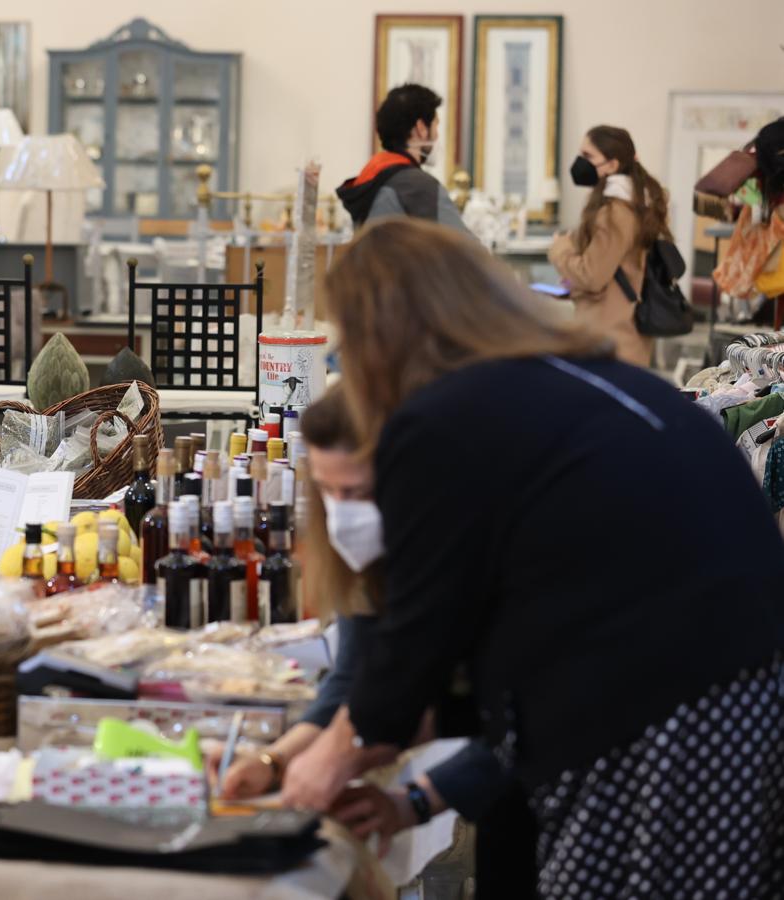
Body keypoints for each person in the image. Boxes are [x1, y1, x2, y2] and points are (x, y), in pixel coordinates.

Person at [306, 217, 784, 899]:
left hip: (663, 722)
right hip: (730, 704)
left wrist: (319, 766)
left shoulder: (443, 417)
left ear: (386, 331)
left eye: (349, 341)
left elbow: (418, 643)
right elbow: (510, 657)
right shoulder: (568, 382)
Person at [212, 385, 535, 895]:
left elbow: (534, 717)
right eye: (329, 493)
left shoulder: (492, 556)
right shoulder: (367, 565)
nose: (344, 516)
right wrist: (274, 762)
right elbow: (352, 686)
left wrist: (416, 797)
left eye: (359, 493)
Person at [548, 126, 671, 366]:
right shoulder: (636, 205)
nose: (580, 162)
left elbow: (592, 275)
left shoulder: (616, 212)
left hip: (610, 339)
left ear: (612, 165)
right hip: (620, 332)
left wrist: (560, 248)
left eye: (588, 156)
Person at [336, 84, 470, 234]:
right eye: (435, 125)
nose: (437, 136)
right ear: (421, 128)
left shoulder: (371, 176)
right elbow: (468, 248)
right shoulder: (419, 186)